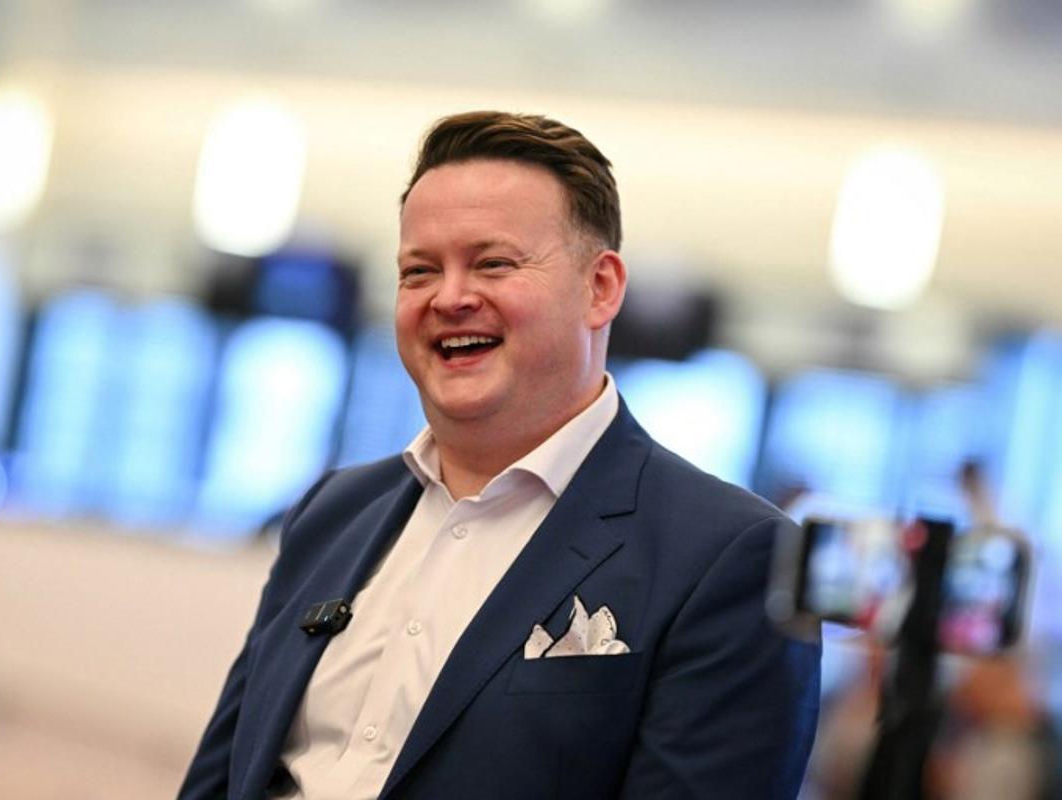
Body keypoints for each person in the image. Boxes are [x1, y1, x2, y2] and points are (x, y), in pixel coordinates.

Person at [179, 110, 821, 800]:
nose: (450, 298)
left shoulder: (730, 557)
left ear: (600, 288)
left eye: (493, 263)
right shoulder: (333, 513)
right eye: (419, 271)